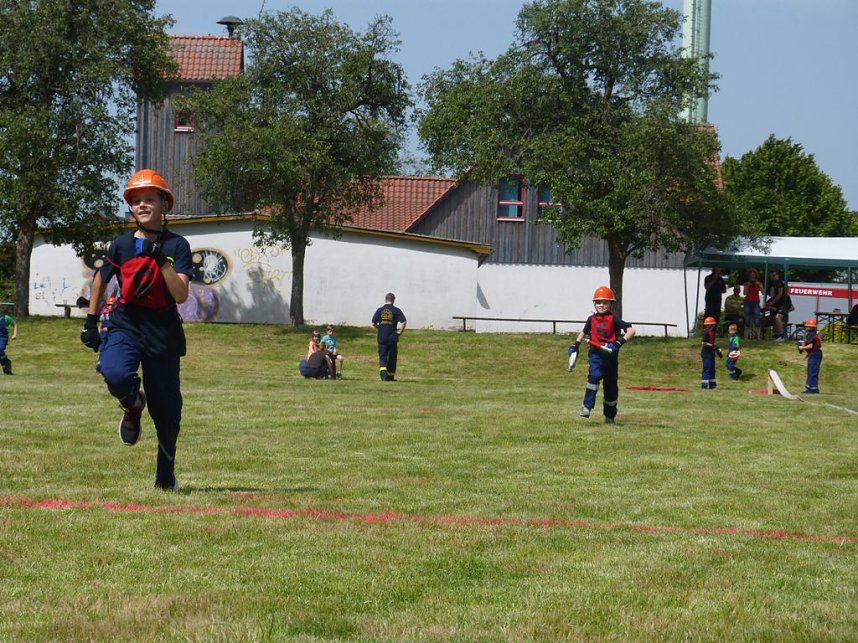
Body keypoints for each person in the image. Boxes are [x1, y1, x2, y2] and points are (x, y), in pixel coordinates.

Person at [80, 169, 193, 491]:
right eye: (136, 200)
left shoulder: (178, 246)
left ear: (164, 205)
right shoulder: (120, 245)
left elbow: (181, 295)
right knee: (115, 374)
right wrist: (90, 320)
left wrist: (163, 262)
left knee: (168, 410)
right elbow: (101, 279)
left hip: (162, 331)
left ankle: (164, 477)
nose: (142, 205)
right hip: (125, 323)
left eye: (149, 199)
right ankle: (132, 404)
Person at [568, 286, 635, 424]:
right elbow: (584, 332)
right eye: (598, 302)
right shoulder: (591, 319)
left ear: (611, 304)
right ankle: (586, 406)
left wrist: (617, 343)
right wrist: (575, 344)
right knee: (594, 376)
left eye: (605, 302)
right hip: (596, 356)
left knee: (611, 388)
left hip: (610, 358)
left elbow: (631, 331)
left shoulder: (614, 319)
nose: (601, 305)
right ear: (594, 304)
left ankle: (610, 416)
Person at [372, 292, 407, 381]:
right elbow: (404, 321)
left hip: (382, 336)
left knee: (382, 355)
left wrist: (380, 328)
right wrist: (400, 332)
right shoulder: (396, 310)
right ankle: (391, 376)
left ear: (385, 299)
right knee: (392, 356)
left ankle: (383, 376)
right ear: (393, 300)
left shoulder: (380, 310)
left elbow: (373, 323)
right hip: (392, 337)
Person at [796, 319, 822, 394]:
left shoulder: (811, 334)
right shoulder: (811, 334)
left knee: (812, 371)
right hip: (814, 354)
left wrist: (801, 348)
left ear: (810, 327)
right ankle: (810, 388)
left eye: (807, 326)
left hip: (815, 354)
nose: (806, 327)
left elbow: (811, 346)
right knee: (811, 371)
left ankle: (813, 389)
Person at [762, 270, 789, 341]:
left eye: (774, 275)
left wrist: (772, 302)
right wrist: (769, 304)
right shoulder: (772, 284)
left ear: (777, 275)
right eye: (771, 276)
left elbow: (780, 294)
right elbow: (771, 295)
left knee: (778, 317)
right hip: (775, 304)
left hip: (781, 303)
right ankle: (777, 336)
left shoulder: (780, 283)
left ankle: (782, 336)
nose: (773, 277)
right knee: (774, 319)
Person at [700, 316, 721, 390]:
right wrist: (712, 345)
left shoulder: (712, 332)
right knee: (707, 369)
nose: (712, 326)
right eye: (711, 324)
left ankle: (713, 385)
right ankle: (704, 386)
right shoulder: (706, 332)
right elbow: (704, 343)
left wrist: (716, 348)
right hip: (706, 353)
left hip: (711, 353)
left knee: (712, 369)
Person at [742, 269, 763, 339]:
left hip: (756, 302)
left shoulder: (759, 283)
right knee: (747, 319)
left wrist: (759, 286)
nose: (752, 276)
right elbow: (744, 293)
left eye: (753, 275)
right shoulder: (746, 283)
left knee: (757, 319)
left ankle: (758, 337)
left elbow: (763, 292)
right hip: (748, 302)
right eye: (751, 275)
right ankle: (746, 337)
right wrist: (748, 286)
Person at [0, 306, 18, 375]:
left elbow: (14, 324)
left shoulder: (5, 318)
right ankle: (6, 365)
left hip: (2, 337)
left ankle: (6, 363)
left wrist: (14, 334)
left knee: (0, 349)